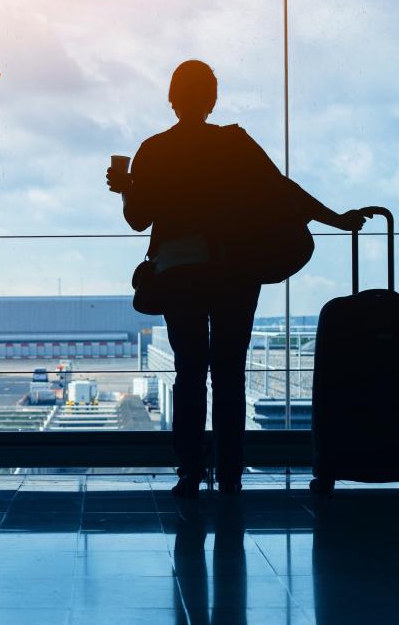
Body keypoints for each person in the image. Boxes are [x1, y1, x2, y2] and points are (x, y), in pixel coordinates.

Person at [107, 60, 365, 498]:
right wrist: (335, 220)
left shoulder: (154, 150)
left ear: (172, 99)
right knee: (229, 374)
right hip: (234, 272)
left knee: (190, 373)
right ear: (212, 99)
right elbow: (283, 190)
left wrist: (127, 186)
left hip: (179, 272)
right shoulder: (235, 144)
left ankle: (189, 472)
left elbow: (137, 219)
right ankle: (230, 474)